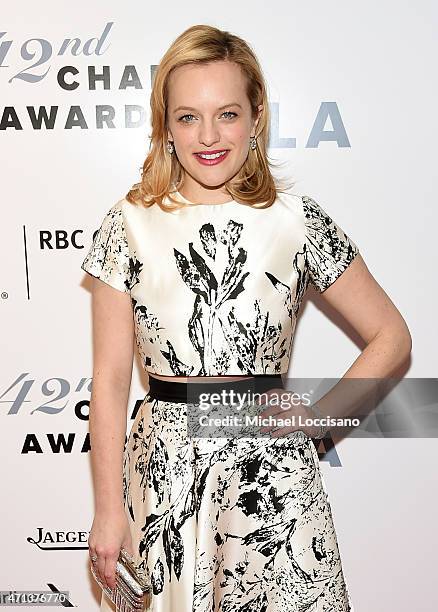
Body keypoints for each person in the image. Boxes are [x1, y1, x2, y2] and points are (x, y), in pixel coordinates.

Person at [81, 24, 411, 612]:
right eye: (187, 117)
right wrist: (107, 513)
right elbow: (107, 381)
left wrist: (313, 426)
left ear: (257, 117)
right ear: (165, 126)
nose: (208, 136)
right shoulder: (127, 223)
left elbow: (391, 336)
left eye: (226, 114)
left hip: (273, 477)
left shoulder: (297, 221)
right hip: (163, 474)